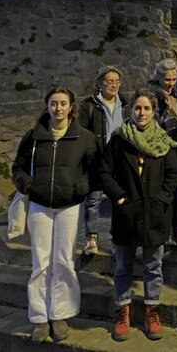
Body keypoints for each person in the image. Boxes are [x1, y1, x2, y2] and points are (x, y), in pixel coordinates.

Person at [11, 87, 97, 342]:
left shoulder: (85, 137)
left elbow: (94, 171)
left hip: (69, 206)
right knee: (40, 262)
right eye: (53, 103)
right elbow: (18, 167)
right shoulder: (33, 136)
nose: (58, 108)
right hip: (39, 205)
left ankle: (59, 314)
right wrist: (27, 185)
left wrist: (79, 187)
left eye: (63, 103)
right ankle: (39, 318)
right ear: (47, 106)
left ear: (71, 107)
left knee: (64, 261)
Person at [99, 89, 177, 341]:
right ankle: (123, 310)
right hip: (126, 214)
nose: (141, 113)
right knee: (123, 266)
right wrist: (120, 197)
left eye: (146, 109)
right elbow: (104, 173)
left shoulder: (164, 142)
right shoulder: (119, 139)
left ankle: (151, 311)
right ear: (130, 110)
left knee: (153, 266)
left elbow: (173, 177)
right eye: (137, 108)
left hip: (155, 216)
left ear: (154, 112)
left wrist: (161, 200)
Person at [78, 66, 130, 255]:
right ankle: (92, 238)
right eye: (109, 81)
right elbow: (81, 134)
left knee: (120, 200)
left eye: (117, 81)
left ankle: (118, 238)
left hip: (121, 160)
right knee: (94, 200)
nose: (114, 85)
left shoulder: (125, 104)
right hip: (98, 160)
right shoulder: (89, 105)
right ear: (100, 83)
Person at [147, 58, 177, 248]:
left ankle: (176, 231)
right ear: (159, 78)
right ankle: (159, 231)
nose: (171, 84)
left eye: (174, 80)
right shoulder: (151, 98)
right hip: (158, 150)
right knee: (158, 193)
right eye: (167, 80)